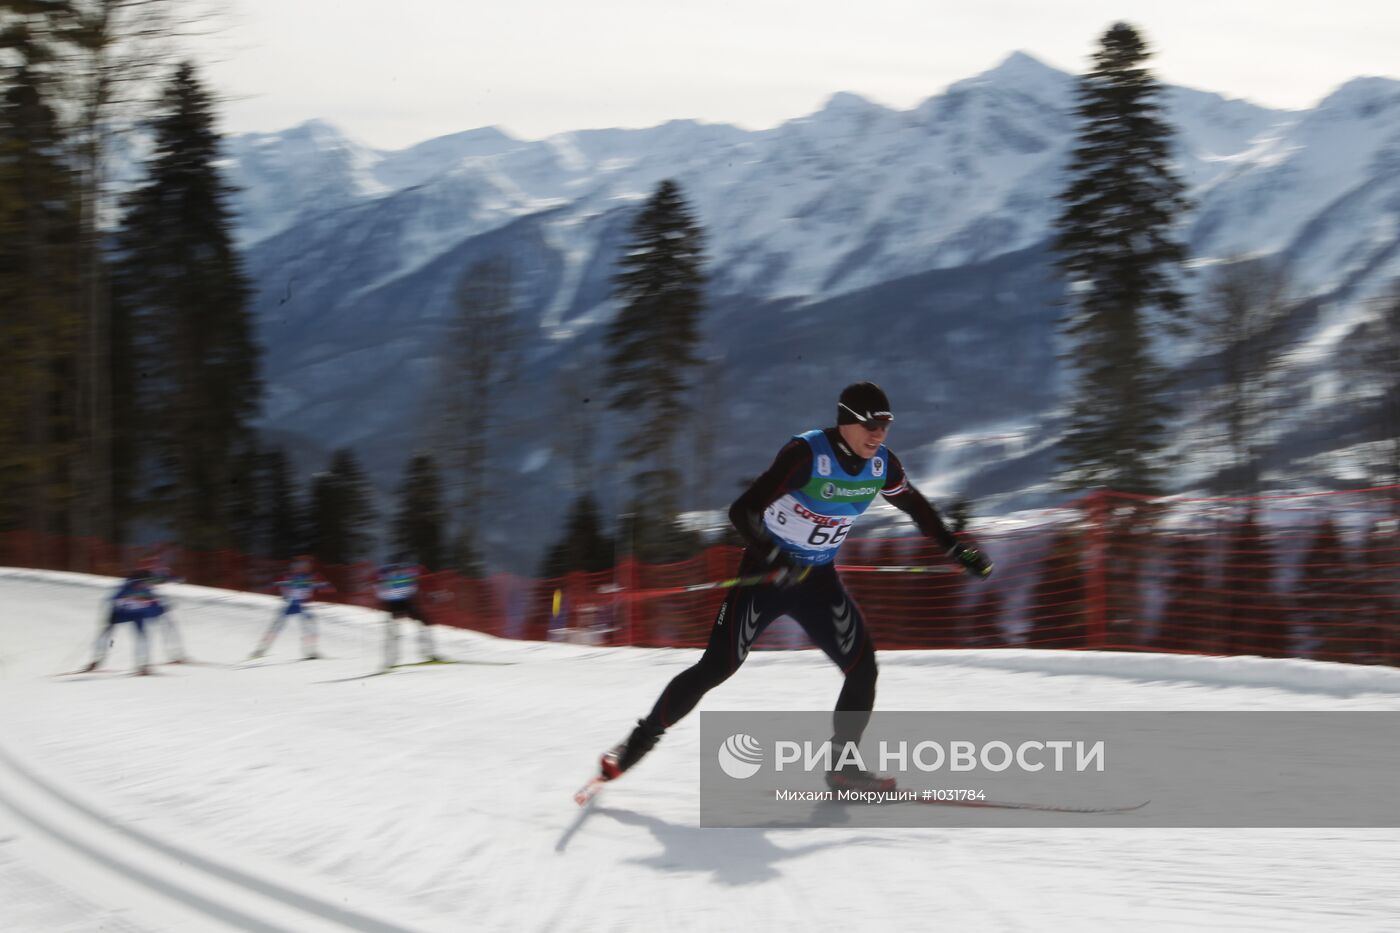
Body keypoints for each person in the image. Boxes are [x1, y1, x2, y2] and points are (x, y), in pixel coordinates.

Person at [594, 382, 993, 792]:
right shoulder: (807, 455)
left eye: (885, 427)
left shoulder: (881, 467)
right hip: (766, 577)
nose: (878, 435)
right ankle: (636, 744)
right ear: (846, 422)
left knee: (863, 669)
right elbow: (743, 511)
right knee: (717, 668)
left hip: (817, 581)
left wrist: (954, 548)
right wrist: (774, 557)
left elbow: (916, 507)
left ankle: (843, 770)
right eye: (871, 425)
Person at [82, 567, 166, 675]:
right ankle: (96, 661)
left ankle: (143, 666)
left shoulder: (146, 589)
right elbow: (113, 600)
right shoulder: (127, 587)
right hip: (122, 614)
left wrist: (159, 610)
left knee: (142, 637)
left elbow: (155, 605)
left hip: (137, 615)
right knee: (105, 635)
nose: (147, 584)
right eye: (146, 581)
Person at [252, 556, 334, 660]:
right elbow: (282, 585)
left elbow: (319, 586)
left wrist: (325, 586)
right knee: (280, 627)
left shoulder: (306, 577)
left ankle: (311, 652)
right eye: (299, 568)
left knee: (308, 627)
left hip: (299, 605)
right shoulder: (299, 577)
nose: (302, 569)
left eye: (304, 567)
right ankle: (261, 650)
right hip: (294, 605)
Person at [376, 557, 441, 670]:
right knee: (394, 630)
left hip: (403, 602)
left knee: (423, 623)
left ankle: (428, 654)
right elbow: (382, 590)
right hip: (397, 603)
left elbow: (413, 587)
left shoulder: (405, 573)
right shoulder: (392, 573)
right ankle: (390, 662)